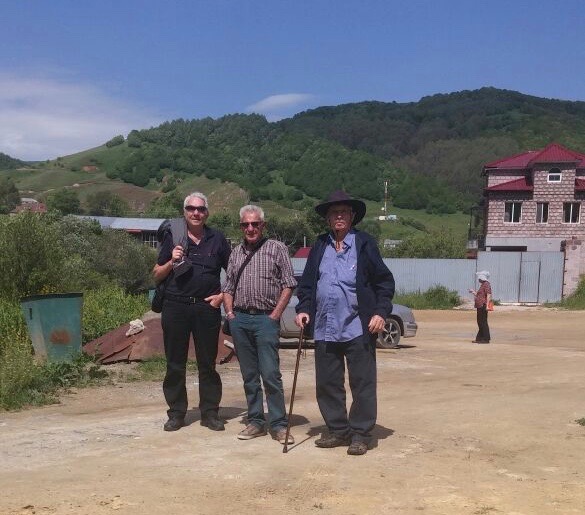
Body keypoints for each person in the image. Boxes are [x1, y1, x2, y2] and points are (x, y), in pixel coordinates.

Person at [294, 190, 395, 456]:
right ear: (327, 219)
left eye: (343, 212)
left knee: (362, 383)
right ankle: (338, 430)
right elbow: (306, 285)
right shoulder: (319, 245)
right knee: (327, 383)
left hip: (357, 327)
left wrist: (380, 312)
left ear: (352, 217)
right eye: (333, 213)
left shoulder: (364, 244)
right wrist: (304, 308)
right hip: (325, 326)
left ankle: (360, 433)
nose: (338, 216)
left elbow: (384, 283)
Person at [153, 192, 231, 432]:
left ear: (206, 213)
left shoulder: (217, 238)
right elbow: (156, 274)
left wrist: (221, 296)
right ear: (184, 212)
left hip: (206, 307)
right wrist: (171, 260)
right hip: (175, 305)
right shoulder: (172, 238)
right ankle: (177, 413)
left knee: (207, 363)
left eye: (200, 209)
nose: (196, 213)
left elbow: (235, 272)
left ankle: (210, 413)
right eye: (191, 209)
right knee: (175, 362)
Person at [222, 205, 297, 445]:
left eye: (255, 224)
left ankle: (279, 425)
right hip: (240, 320)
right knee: (249, 376)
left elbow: (288, 283)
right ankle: (256, 421)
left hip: (266, 319)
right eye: (246, 224)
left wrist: (275, 315)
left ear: (263, 225)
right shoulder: (235, 253)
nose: (250, 228)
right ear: (241, 226)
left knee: (271, 374)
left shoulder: (276, 249)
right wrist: (231, 314)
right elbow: (228, 287)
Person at [469, 270, 492, 344]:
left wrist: (488, 305)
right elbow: (479, 295)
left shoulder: (486, 284)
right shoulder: (483, 285)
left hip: (483, 305)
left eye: (479, 278)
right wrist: (473, 292)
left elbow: (488, 294)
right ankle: (479, 338)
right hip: (480, 306)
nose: (478, 279)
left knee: (483, 322)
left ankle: (486, 339)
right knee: (480, 322)